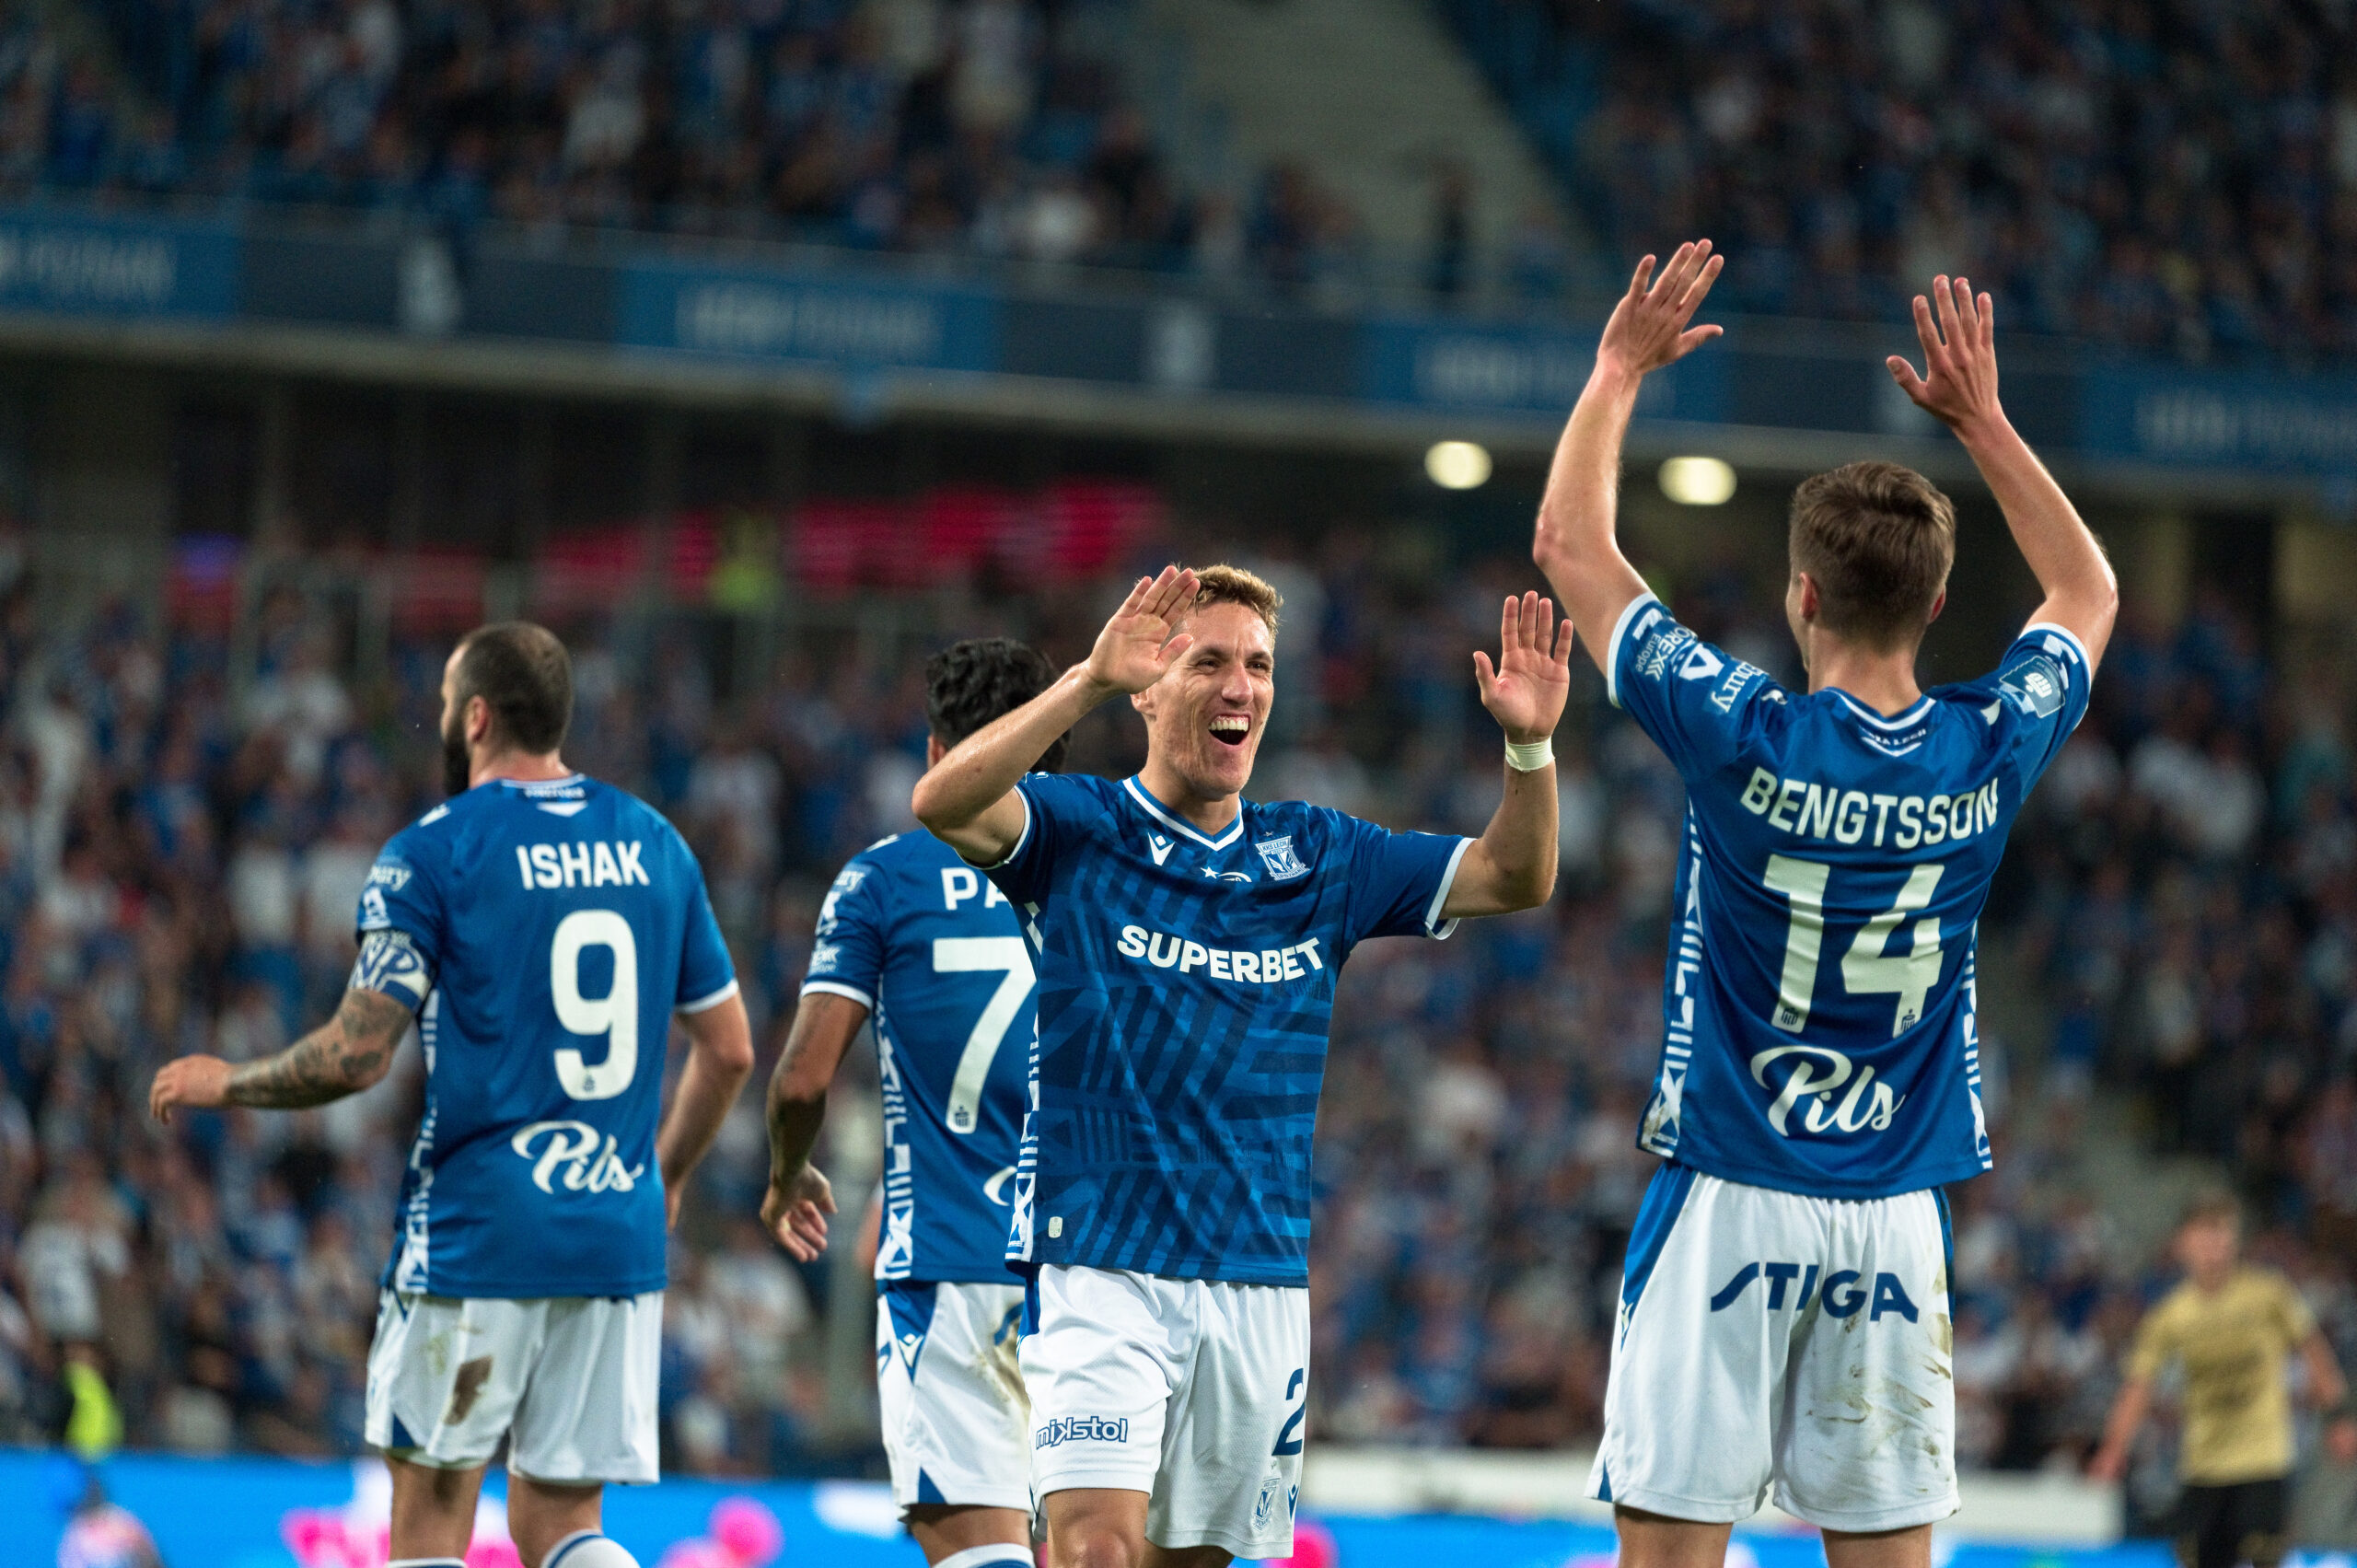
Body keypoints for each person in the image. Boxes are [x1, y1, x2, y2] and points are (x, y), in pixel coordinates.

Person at [1529, 240, 2119, 1568]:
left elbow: (1570, 542)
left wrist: (1620, 365)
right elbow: (2087, 592)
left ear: (1802, 593)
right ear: (1939, 600)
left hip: (1733, 1182)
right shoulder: (1987, 747)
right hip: (1895, 1211)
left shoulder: (1742, 733)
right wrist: (1985, 420)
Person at [912, 564, 1568, 1566]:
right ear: (1150, 688)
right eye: (1207, 661)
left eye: (1257, 665)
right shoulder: (1080, 827)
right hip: (1099, 1264)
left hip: (1255, 1281)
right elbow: (943, 801)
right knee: (1093, 1550)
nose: (1239, 686)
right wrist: (1087, 676)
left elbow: (1514, 874)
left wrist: (1529, 745)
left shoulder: (1318, 855)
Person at [150, 622, 754, 1568]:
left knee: (432, 1518)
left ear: (474, 716)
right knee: (565, 1525)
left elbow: (357, 1055)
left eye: (443, 699)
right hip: (612, 1231)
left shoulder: (433, 853)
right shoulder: (655, 844)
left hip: (481, 1232)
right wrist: (663, 1174)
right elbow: (728, 1050)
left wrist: (229, 1080)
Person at [762, 638, 1070, 1568]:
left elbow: (803, 1077)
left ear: (939, 758)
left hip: (953, 1259)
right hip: (1099, 1274)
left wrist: (787, 1172)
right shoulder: (1112, 873)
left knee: (980, 1552)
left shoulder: (885, 879)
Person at [2091, 1191, 2348, 1568]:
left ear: (2235, 1240)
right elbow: (2139, 1386)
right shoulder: (2170, 1315)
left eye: (2221, 1234)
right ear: (2183, 1244)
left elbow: (2316, 1354)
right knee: (2197, 1559)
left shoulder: (2267, 1294)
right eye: (2203, 1236)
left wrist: (2338, 1417)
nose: (2213, 1246)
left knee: (2264, 1556)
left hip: (2263, 1458)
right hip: (2204, 1462)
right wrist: (2113, 1449)